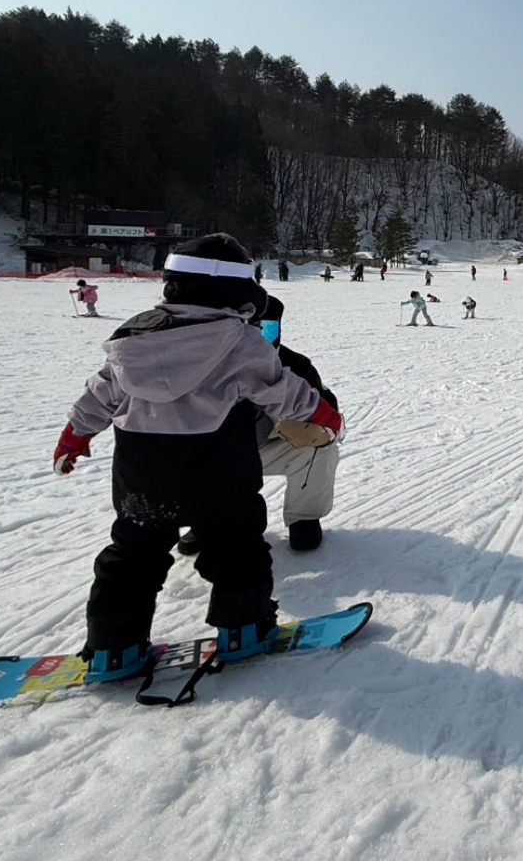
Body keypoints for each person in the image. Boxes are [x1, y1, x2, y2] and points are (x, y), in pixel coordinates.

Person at [51, 233, 343, 678]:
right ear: (241, 291)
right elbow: (283, 391)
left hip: (142, 476)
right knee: (237, 549)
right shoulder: (240, 342)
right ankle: (244, 629)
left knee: (132, 557)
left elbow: (99, 394)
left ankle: (115, 647)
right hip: (218, 474)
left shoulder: (132, 338)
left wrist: (75, 436)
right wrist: (326, 417)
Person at [178, 295, 340, 555]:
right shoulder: (208, 363)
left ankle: (304, 517)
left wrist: (305, 423)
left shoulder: (295, 364)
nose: (259, 337)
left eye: (268, 328)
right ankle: (206, 518)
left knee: (322, 447)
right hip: (219, 453)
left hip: (269, 447)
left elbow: (329, 409)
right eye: (251, 329)